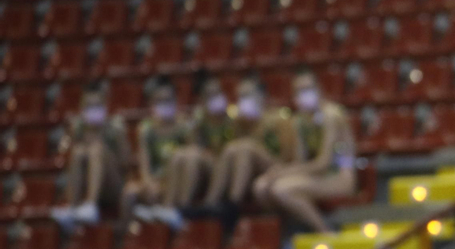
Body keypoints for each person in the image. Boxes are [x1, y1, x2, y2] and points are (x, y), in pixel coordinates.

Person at [253, 69, 357, 233]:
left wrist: (282, 173)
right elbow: (301, 161)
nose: (305, 94)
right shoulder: (300, 121)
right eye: (300, 91)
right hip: (316, 175)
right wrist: (280, 171)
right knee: (261, 186)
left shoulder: (331, 116)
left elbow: (323, 164)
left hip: (339, 175)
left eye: (308, 88)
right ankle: (285, 235)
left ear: (319, 90)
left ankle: (325, 231)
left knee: (282, 189)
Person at [203, 77, 303, 217]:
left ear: (261, 96)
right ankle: (210, 202)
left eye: (247, 95)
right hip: (249, 171)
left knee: (246, 146)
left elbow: (288, 156)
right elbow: (227, 153)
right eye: (241, 96)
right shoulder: (240, 123)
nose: (243, 101)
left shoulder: (280, 119)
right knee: (233, 148)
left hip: (278, 166)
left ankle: (233, 203)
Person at [54, 81, 132, 227]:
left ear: (105, 106)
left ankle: (91, 205)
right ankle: (73, 207)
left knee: (96, 149)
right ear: (82, 108)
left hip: (113, 187)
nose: (93, 110)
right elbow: (69, 165)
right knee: (78, 152)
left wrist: (116, 142)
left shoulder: (115, 127)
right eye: (89, 106)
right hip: (88, 183)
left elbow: (126, 163)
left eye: (97, 105)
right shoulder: (78, 129)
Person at [126, 77, 197, 228]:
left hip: (177, 181)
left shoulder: (184, 127)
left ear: (176, 101)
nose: (164, 104)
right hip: (156, 181)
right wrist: (148, 183)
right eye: (160, 101)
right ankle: (127, 236)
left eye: (168, 100)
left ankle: (166, 212)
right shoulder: (146, 129)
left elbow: (193, 160)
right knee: (129, 192)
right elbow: (144, 164)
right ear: (152, 104)